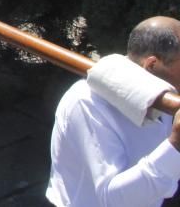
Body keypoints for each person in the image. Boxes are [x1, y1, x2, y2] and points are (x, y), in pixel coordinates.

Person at [47, 16, 180, 206]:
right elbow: (113, 200)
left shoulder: (168, 91)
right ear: (152, 65)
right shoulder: (85, 103)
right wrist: (175, 145)